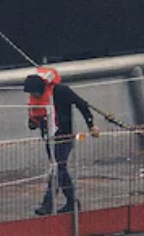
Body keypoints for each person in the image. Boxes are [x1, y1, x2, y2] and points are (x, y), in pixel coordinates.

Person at [24, 70, 97, 215]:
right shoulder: (36, 99)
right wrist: (33, 122)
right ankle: (72, 202)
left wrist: (91, 125)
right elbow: (34, 119)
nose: (34, 96)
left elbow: (81, 104)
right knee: (60, 169)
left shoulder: (61, 91)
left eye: (35, 93)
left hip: (65, 135)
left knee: (57, 168)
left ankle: (48, 204)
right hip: (49, 137)